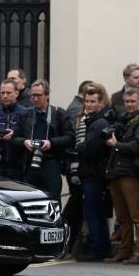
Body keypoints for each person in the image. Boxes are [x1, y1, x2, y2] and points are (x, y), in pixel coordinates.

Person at [103, 88, 139, 264]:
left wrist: (117, 145)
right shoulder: (124, 120)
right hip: (117, 173)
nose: (130, 105)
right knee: (122, 217)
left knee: (137, 215)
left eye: (133, 101)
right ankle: (124, 250)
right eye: (127, 102)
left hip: (132, 174)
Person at [12, 79, 74, 201]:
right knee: (29, 202)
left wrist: (51, 143)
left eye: (39, 95)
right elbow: (13, 138)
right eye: (33, 95)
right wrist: (24, 142)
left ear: (47, 95)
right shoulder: (25, 114)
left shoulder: (59, 114)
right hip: (30, 164)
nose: (35, 99)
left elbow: (71, 138)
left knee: (52, 201)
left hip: (51, 163)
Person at [73, 83, 113, 261]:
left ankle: (97, 249)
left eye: (92, 101)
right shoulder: (93, 121)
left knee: (92, 213)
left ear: (101, 102)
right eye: (87, 101)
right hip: (91, 173)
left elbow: (88, 148)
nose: (88, 105)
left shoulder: (99, 123)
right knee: (96, 213)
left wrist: (79, 147)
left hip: (94, 174)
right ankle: (101, 248)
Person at [62, 80, 93, 254]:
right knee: (76, 203)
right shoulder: (77, 111)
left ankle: (72, 240)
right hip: (77, 164)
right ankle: (70, 238)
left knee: (76, 202)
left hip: (75, 164)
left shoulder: (75, 108)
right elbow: (77, 143)